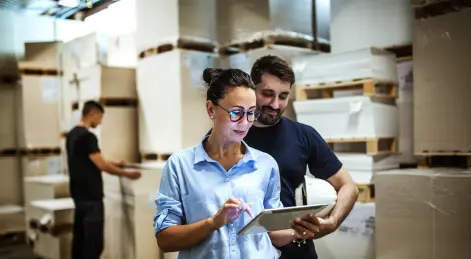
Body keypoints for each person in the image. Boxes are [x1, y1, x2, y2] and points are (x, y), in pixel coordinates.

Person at [154, 68, 312, 259]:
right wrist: (213, 222)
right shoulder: (180, 166)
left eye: (251, 113)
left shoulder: (265, 164)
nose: (245, 123)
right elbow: (165, 240)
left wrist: (297, 230)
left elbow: (271, 232)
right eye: (236, 113)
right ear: (211, 109)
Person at [243, 55, 359, 258]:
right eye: (268, 94)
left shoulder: (304, 135)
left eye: (283, 96)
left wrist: (331, 223)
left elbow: (348, 186)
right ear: (252, 89)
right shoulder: (230, 136)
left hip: (296, 253)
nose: (276, 104)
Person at [65, 100, 141, 259]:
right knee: (94, 243)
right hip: (92, 197)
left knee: (80, 239)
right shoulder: (88, 136)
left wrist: (114, 163)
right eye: (100, 118)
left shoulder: (72, 134)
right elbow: (102, 166)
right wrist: (126, 173)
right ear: (92, 114)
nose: (100, 123)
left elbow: (87, 159)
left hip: (78, 195)